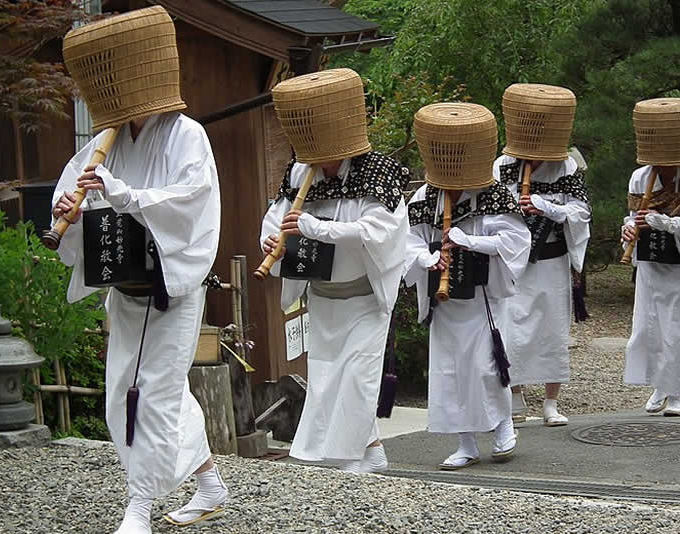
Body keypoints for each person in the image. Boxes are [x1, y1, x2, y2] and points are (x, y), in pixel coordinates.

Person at [50, 7, 225, 533]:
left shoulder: (186, 134)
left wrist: (123, 193)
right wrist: (67, 212)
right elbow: (69, 188)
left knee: (153, 394)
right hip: (125, 290)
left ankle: (139, 506)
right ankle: (211, 483)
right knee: (126, 392)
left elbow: (190, 201)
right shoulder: (105, 138)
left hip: (171, 289)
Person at [259, 68, 409, 473]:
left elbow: (378, 232)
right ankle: (372, 450)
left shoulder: (377, 171)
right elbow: (275, 219)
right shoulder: (299, 171)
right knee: (327, 377)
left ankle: (349, 463)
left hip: (364, 296)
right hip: (323, 297)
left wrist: (316, 228)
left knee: (358, 378)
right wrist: (273, 242)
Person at [404, 102, 531, 470]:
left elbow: (516, 243)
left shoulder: (494, 196)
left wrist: (470, 241)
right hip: (446, 303)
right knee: (450, 371)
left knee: (487, 367)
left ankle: (504, 425)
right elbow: (407, 243)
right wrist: (430, 259)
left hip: (483, 298)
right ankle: (466, 442)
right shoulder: (425, 198)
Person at [495, 84, 591, 426]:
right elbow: (491, 212)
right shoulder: (503, 164)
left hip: (552, 258)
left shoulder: (565, 166)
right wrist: (515, 210)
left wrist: (546, 207)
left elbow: (581, 213)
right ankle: (516, 394)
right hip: (514, 260)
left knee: (552, 326)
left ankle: (551, 402)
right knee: (515, 323)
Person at [621, 98, 680, 417]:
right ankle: (657, 386)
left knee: (677, 327)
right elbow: (632, 215)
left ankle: (676, 392)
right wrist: (629, 229)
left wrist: (668, 223)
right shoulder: (639, 177)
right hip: (650, 261)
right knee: (650, 326)